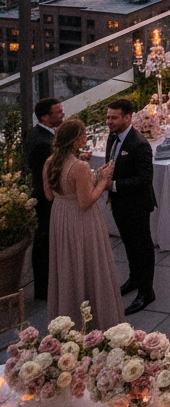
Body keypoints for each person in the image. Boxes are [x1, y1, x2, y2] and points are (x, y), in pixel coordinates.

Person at [44, 119, 123, 329]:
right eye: (83, 134)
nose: (85, 137)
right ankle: (95, 317)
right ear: (75, 139)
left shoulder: (50, 162)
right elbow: (86, 201)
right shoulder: (79, 166)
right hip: (80, 220)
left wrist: (95, 175)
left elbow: (50, 195)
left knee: (67, 264)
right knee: (88, 263)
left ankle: (68, 312)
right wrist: (104, 182)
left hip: (60, 217)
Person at [104, 98, 157, 315]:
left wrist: (113, 185)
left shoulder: (140, 144)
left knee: (142, 247)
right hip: (119, 204)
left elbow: (145, 179)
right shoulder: (112, 136)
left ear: (128, 118)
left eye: (114, 118)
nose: (109, 122)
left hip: (137, 204)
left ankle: (146, 292)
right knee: (128, 244)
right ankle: (134, 279)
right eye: (108, 117)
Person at [26, 97, 64, 301]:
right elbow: (48, 176)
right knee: (45, 242)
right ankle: (44, 289)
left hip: (48, 197)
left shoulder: (46, 135)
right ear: (45, 117)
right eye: (58, 112)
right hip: (46, 200)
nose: (63, 114)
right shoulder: (42, 142)